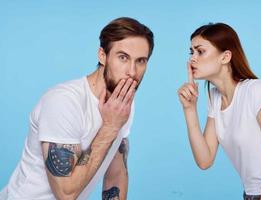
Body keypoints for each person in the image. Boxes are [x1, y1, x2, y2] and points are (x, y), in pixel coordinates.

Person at [0, 17, 154, 200]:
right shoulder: (64, 102)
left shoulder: (122, 103)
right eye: (123, 57)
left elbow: (115, 176)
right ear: (102, 56)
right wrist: (110, 127)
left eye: (141, 61)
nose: (132, 71)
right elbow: (65, 193)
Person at [178, 23, 261, 200]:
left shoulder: (255, 90)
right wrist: (189, 109)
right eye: (191, 52)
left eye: (200, 51)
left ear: (225, 57)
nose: (192, 59)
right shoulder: (215, 97)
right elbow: (205, 160)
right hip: (249, 195)